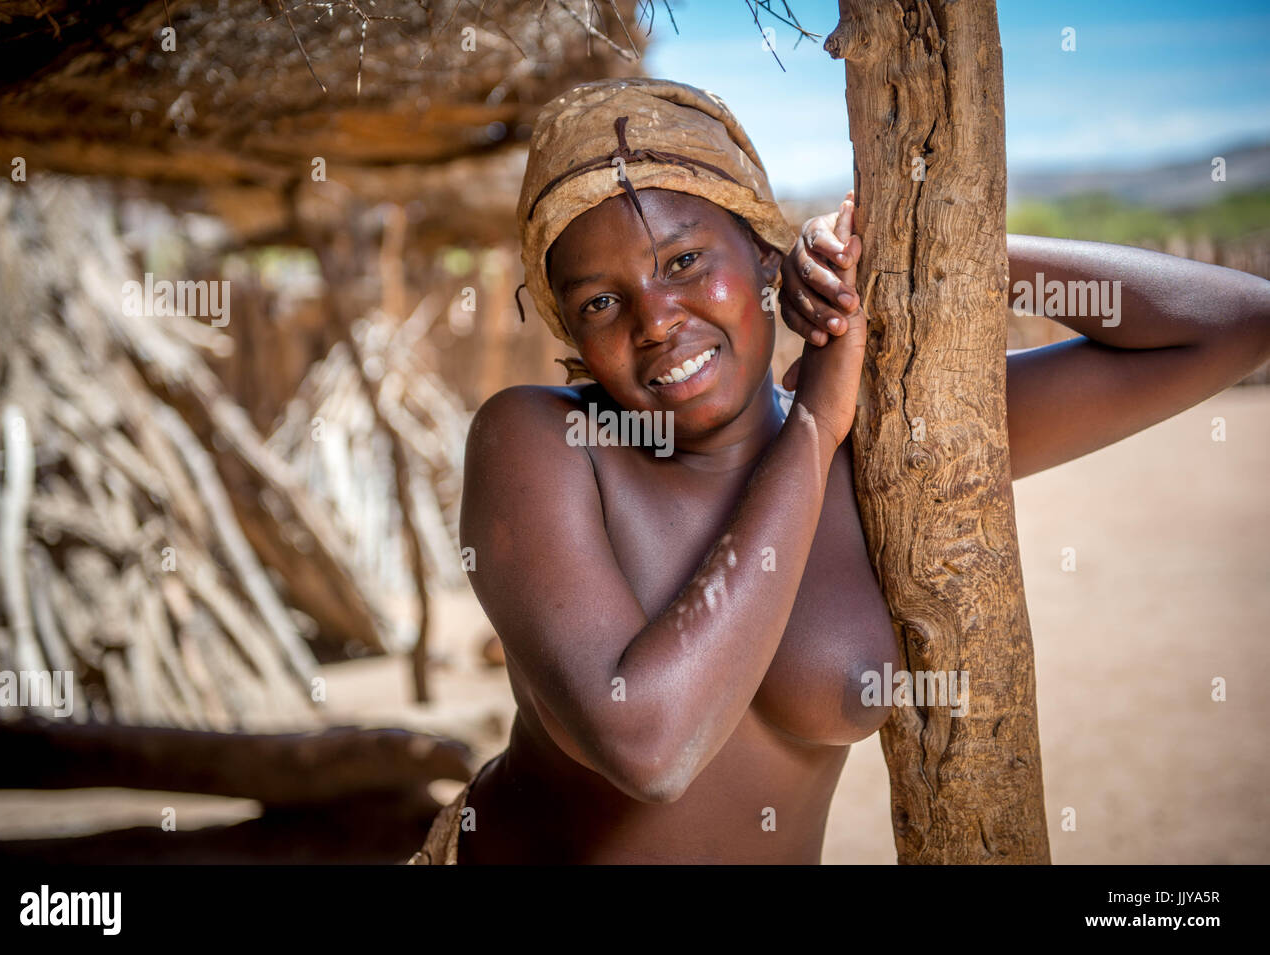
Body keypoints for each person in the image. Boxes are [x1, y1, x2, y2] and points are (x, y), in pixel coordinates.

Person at [408, 78, 1270, 864]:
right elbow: (652, 747)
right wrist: (813, 428)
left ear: (767, 257)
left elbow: (1232, 324)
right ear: (571, 333)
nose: (657, 320)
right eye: (601, 300)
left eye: (685, 262)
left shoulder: (883, 453)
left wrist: (917, 253)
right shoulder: (542, 442)